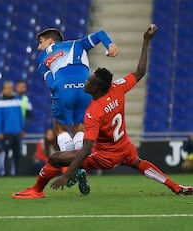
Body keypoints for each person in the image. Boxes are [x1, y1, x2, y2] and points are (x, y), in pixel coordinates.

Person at [13, 24, 193, 198]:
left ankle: (37, 189)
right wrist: (146, 42)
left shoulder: (93, 112)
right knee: (139, 163)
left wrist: (67, 174)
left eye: (90, 81)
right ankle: (176, 187)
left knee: (55, 158)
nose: (87, 81)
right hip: (124, 147)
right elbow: (139, 72)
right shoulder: (117, 88)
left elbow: (86, 150)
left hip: (102, 157)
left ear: (95, 89)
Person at [35, 28, 118, 155]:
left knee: (61, 128)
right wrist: (110, 46)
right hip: (85, 88)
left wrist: (59, 91)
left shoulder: (42, 56)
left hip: (63, 87)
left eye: (41, 42)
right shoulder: (78, 44)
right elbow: (100, 34)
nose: (39, 47)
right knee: (80, 127)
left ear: (50, 41)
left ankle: (70, 164)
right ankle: (80, 165)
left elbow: (50, 81)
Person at [0, 81, 24, 176]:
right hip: (6, 133)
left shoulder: (17, 101)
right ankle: (5, 172)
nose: (9, 90)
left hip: (17, 132)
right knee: (5, 153)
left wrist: (21, 129)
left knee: (17, 153)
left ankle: (16, 172)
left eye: (10, 88)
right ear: (3, 90)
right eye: (7, 88)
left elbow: (20, 116)